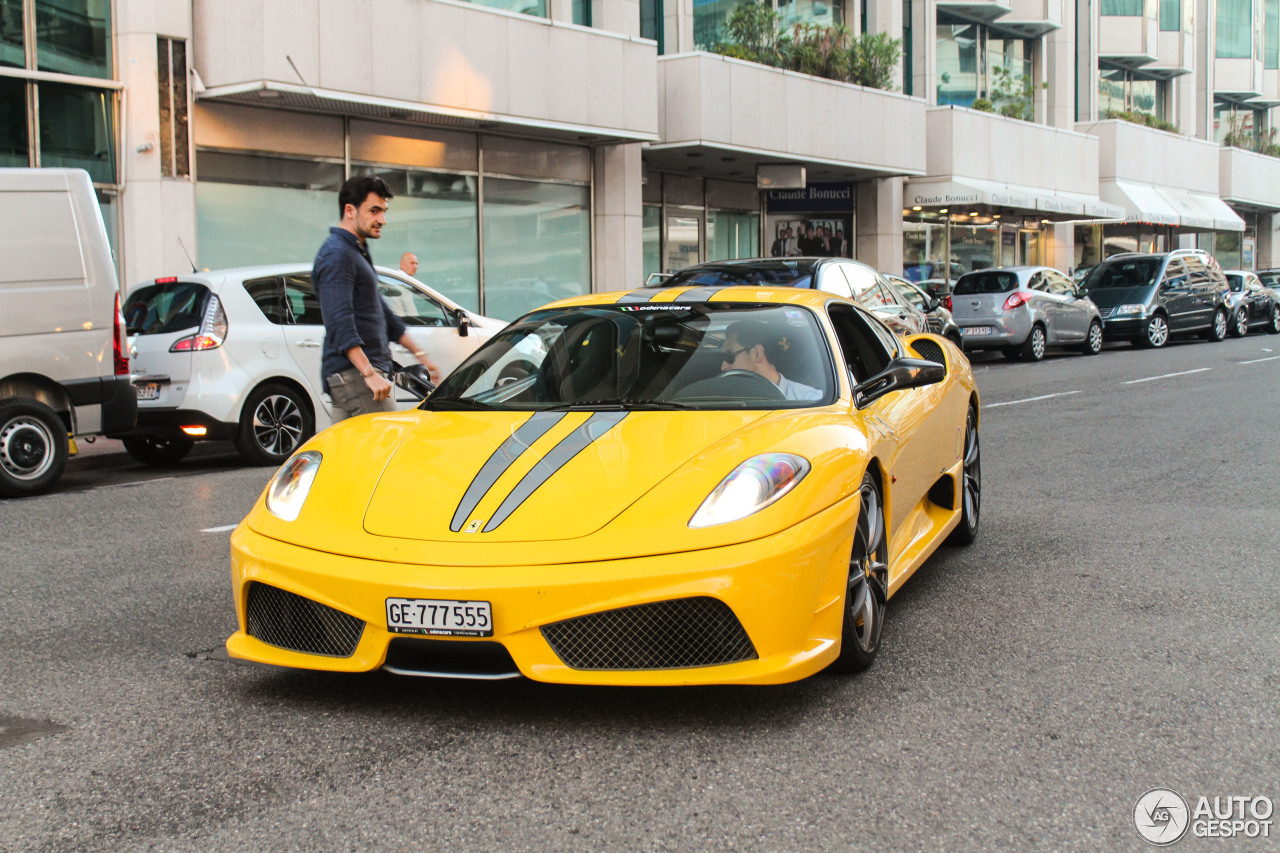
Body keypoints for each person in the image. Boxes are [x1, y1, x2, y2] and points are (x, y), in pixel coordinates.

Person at [314, 175, 439, 421]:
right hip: (357, 377)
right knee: (385, 451)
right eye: (374, 211)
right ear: (350, 210)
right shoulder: (337, 254)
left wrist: (420, 354)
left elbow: (381, 313)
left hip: (355, 376)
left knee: (350, 456)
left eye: (383, 211)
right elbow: (339, 321)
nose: (382, 219)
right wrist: (369, 373)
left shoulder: (355, 251)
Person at [720, 320, 823, 401]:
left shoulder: (811, 401)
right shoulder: (716, 399)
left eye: (729, 356)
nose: (723, 366)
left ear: (757, 353)